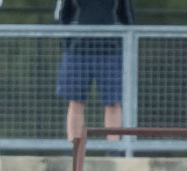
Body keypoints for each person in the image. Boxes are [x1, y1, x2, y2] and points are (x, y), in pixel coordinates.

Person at [54, 0, 134, 142]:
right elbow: (63, 14)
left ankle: (113, 151)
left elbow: (126, 15)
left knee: (113, 103)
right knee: (75, 102)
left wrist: (125, 44)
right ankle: (75, 149)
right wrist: (66, 45)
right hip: (78, 50)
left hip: (110, 50)